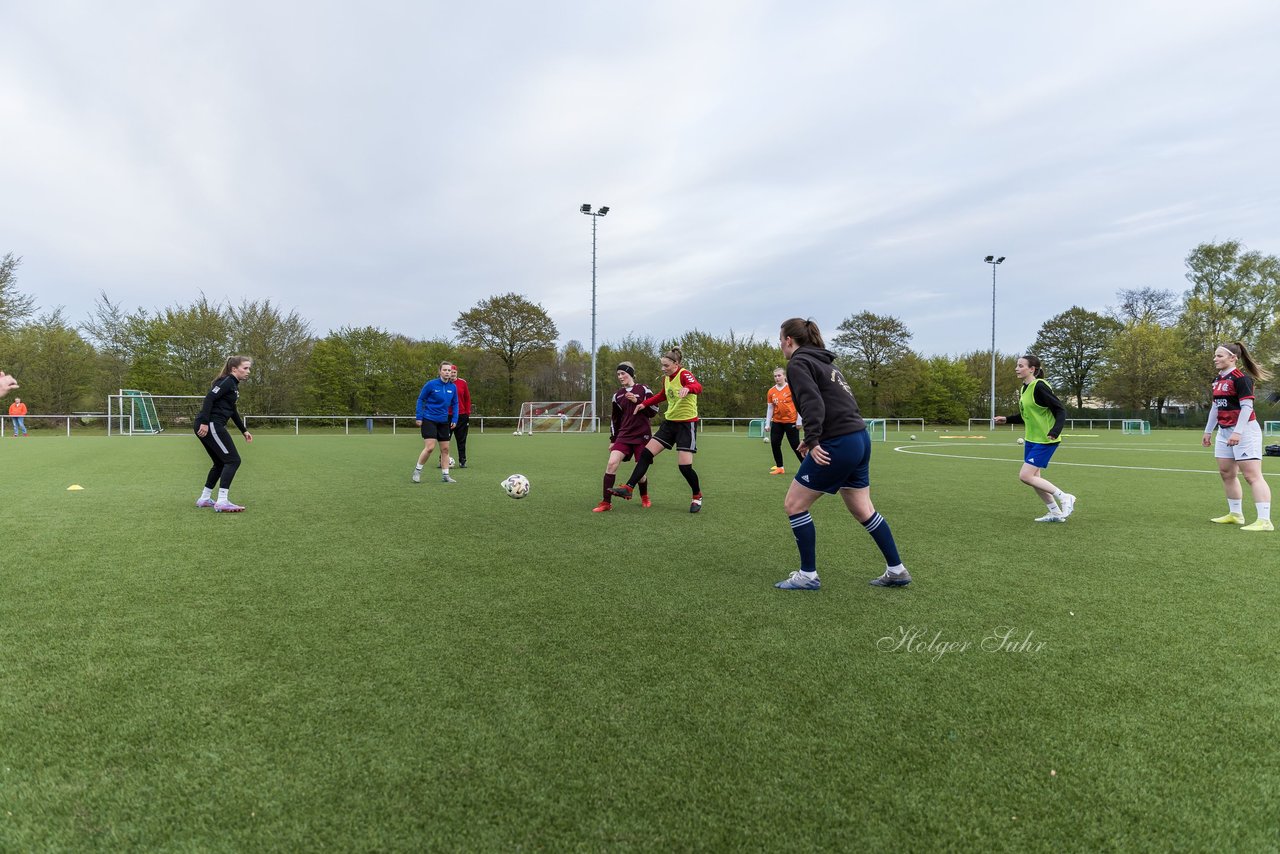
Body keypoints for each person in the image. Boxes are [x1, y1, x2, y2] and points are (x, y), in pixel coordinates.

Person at [772, 318, 910, 590]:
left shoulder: (799, 363)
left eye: (780, 340)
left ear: (789, 340)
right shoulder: (826, 363)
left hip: (838, 443)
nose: (780, 345)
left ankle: (808, 576)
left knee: (795, 505)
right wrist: (813, 438)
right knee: (863, 509)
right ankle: (897, 570)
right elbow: (838, 403)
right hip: (858, 439)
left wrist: (813, 440)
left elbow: (813, 403)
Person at [609, 347, 705, 513]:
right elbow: (663, 395)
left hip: (686, 425)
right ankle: (629, 488)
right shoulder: (667, 379)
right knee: (646, 454)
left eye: (666, 365)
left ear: (676, 364)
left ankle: (697, 496)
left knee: (684, 467)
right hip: (670, 423)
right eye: (662, 365)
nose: (663, 368)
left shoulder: (683, 374)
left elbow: (697, 386)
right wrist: (644, 404)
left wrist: (688, 388)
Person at [994, 355, 1075, 522]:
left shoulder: (1039, 386)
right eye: (1017, 365)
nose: (1017, 368)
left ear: (1032, 369)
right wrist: (1007, 419)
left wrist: (1055, 430)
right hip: (1031, 439)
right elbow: (1027, 415)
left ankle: (1065, 497)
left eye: (1021, 366)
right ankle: (1055, 513)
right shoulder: (1025, 388)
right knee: (1035, 479)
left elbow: (1060, 410)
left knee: (1025, 476)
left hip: (1046, 439)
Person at [1203, 341, 1272, 531]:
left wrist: (1238, 432)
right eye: (1215, 355)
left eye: (1219, 356)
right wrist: (1208, 431)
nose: (1215, 359)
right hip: (1224, 431)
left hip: (1245, 431)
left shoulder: (1242, 379)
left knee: (1252, 475)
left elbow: (1247, 408)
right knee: (1226, 472)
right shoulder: (1217, 380)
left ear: (1233, 358)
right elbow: (1216, 407)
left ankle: (1265, 520)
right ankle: (1236, 514)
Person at [594, 362, 660, 512]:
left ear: (630, 373)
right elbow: (615, 420)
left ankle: (644, 497)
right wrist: (613, 440)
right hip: (624, 435)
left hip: (642, 435)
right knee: (611, 463)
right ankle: (606, 503)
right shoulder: (617, 396)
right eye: (618, 374)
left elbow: (654, 410)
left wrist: (638, 401)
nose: (620, 376)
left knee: (641, 472)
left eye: (623, 373)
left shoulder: (643, 389)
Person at [194, 356, 254, 512]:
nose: (248, 371)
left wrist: (244, 430)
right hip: (211, 424)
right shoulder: (227, 381)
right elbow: (209, 399)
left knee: (220, 463)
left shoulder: (233, 385)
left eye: (249, 368)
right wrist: (205, 423)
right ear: (234, 369)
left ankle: (204, 499)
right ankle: (222, 501)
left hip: (211, 424)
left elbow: (232, 410)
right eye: (245, 368)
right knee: (233, 460)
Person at [413, 362, 459, 484]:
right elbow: (421, 399)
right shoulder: (431, 384)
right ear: (440, 371)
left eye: (449, 370)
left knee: (445, 449)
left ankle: (445, 475)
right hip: (429, 419)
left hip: (444, 421)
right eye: (445, 370)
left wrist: (454, 419)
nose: (447, 372)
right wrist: (419, 416)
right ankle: (417, 471)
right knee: (430, 448)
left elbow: (455, 404)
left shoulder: (453, 387)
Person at [764, 367, 803, 474]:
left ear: (784, 376)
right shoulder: (771, 391)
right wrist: (767, 423)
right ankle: (780, 467)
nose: (777, 378)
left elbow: (800, 405)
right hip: (777, 422)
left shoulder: (792, 388)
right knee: (775, 443)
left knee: (796, 445)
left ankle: (806, 466)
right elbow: (770, 408)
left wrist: (799, 421)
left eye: (779, 375)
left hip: (791, 422)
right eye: (775, 376)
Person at [450, 365, 472, 468]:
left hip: (461, 416)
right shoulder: (444, 383)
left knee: (461, 440)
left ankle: (462, 461)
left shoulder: (462, 383)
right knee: (444, 440)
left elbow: (467, 398)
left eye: (454, 372)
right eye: (450, 372)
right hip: (447, 416)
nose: (452, 374)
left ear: (456, 372)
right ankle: (443, 460)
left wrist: (467, 412)